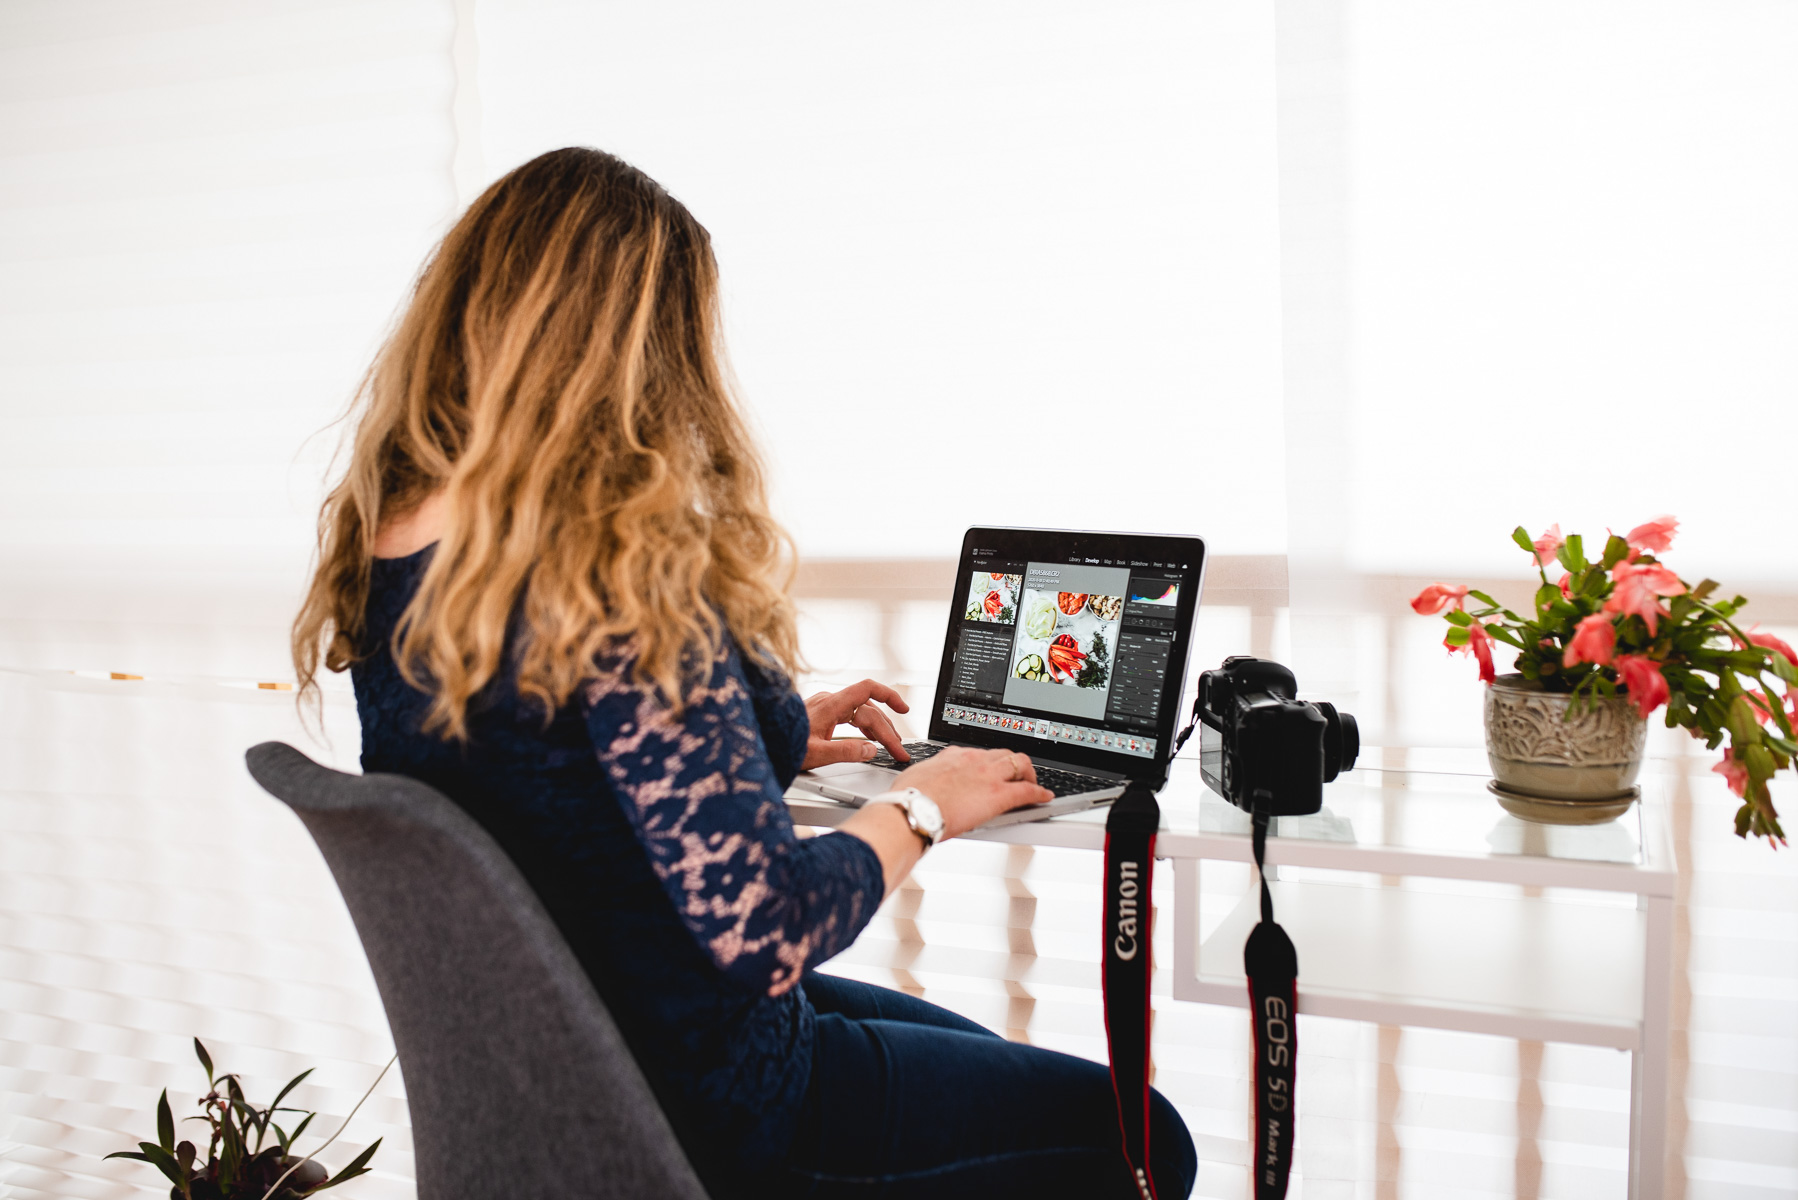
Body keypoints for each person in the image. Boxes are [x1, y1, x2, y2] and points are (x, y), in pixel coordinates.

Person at [293, 147, 1195, 1199]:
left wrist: (760, 733)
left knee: (1018, 1072)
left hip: (580, 1071)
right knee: (1143, 1141)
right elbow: (768, 929)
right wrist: (921, 805)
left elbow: (545, 775)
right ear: (640, 352)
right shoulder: (612, 578)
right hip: (720, 1102)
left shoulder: (392, 549)